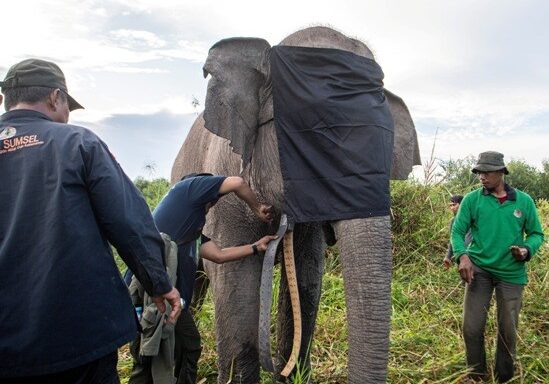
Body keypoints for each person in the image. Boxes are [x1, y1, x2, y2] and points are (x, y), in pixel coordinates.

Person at [0, 59, 182, 383]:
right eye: (67, 105)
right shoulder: (79, 143)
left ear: (6, 99)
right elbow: (128, 223)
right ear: (56, 98)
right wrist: (159, 283)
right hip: (79, 335)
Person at [129, 173, 276, 384]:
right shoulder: (189, 189)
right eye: (214, 198)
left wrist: (256, 247)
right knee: (155, 354)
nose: (214, 203)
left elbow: (219, 255)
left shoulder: (190, 229)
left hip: (171, 301)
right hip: (154, 296)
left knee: (180, 347)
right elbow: (237, 182)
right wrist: (257, 209)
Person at [451, 151, 544, 382]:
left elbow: (536, 234)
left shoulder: (523, 201)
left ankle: (504, 376)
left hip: (511, 272)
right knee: (471, 327)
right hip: (479, 269)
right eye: (479, 172)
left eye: (487, 172)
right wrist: (462, 255)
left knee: (507, 330)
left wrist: (526, 250)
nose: (481, 176)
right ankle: (476, 374)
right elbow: (458, 231)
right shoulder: (473, 200)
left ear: (501, 172)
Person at [443, 194, 472, 270]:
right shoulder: (453, 221)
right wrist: (448, 256)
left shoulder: (472, 217)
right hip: (460, 255)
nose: (452, 207)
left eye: (454, 205)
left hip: (474, 255)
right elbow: (452, 239)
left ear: (461, 204)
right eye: (450, 205)